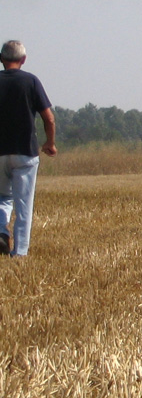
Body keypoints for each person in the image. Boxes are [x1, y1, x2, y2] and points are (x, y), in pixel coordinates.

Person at [0, 41, 57, 258]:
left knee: (2, 197)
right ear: (23, 59)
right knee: (23, 203)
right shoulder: (31, 81)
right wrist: (50, 143)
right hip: (25, 151)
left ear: (1, 58)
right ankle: (20, 252)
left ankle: (1, 231)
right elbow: (48, 118)